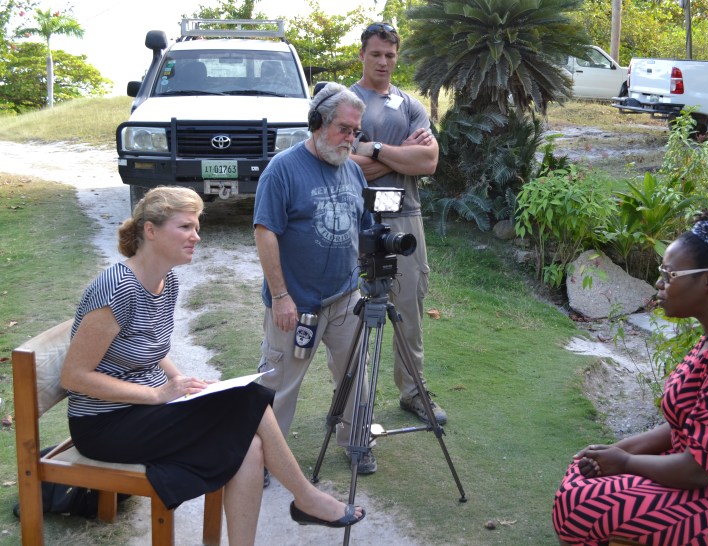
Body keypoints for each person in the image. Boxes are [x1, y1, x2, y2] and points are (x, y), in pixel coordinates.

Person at [61, 187, 365, 546]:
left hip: (143, 411)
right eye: (185, 227)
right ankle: (306, 497)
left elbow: (149, 344)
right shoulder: (116, 288)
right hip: (104, 424)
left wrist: (178, 379)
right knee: (248, 398)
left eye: (196, 226)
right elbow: (74, 377)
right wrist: (158, 393)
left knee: (249, 447)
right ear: (150, 230)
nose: (196, 236)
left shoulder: (167, 280)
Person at [552, 209, 708, 545]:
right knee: (581, 477)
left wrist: (625, 461)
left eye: (669, 275)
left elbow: (700, 470)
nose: (660, 283)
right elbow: (683, 425)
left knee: (579, 503)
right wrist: (615, 450)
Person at [254, 83, 379, 473]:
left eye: (356, 132)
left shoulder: (352, 172)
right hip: (295, 304)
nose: (351, 139)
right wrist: (280, 296)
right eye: (344, 129)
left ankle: (357, 443)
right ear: (317, 123)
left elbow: (365, 229)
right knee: (278, 386)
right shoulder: (283, 170)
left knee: (355, 377)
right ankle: (261, 460)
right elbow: (265, 231)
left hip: (344, 299)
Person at [350, 22, 447, 425]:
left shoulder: (410, 105)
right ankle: (354, 401)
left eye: (390, 55)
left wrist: (371, 149)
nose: (384, 62)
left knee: (408, 307)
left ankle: (413, 392)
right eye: (376, 54)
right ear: (362, 55)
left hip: (405, 219)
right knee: (347, 312)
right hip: (355, 217)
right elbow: (341, 163)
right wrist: (396, 153)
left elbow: (427, 162)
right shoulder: (344, 101)